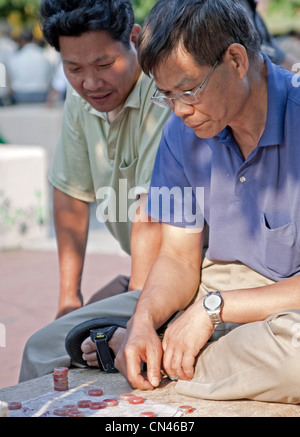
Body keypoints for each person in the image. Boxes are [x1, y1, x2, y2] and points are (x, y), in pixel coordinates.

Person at [19, 0, 300, 405]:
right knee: (44, 345)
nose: (181, 110)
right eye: (166, 96)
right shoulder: (183, 131)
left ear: (236, 60)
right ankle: (167, 355)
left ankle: (163, 362)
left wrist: (212, 310)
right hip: (208, 287)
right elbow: (180, 259)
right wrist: (143, 322)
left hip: (279, 304)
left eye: (188, 90)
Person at [17, 0, 170, 381]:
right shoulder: (80, 97)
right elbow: (70, 192)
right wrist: (70, 297)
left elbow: (150, 214)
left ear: (135, 39)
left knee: (45, 349)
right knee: (64, 332)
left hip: (180, 272)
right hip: (143, 273)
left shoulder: (165, 92)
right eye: (73, 68)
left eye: (104, 65)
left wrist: (133, 315)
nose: (90, 82)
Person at [8, 29, 53, 104]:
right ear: (34, 39)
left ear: (22, 41)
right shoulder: (44, 55)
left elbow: (11, 79)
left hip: (20, 95)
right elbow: (50, 77)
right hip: (41, 94)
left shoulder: (16, 57)